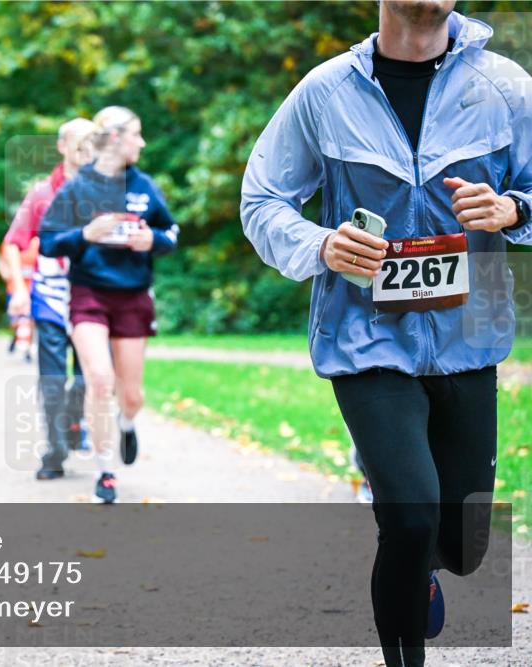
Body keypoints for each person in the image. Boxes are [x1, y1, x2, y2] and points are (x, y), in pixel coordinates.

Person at [241, 3, 530, 665]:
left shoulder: (506, 88)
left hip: (469, 339)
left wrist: (515, 207)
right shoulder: (325, 91)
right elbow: (261, 201)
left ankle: (424, 561)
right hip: (363, 336)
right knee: (409, 518)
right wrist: (321, 245)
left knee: (459, 538)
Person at [40, 106, 179, 503]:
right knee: (99, 379)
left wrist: (153, 240)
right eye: (137, 134)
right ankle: (105, 471)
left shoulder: (144, 186)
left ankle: (127, 422)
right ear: (115, 138)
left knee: (130, 394)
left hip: (133, 295)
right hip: (89, 294)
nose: (142, 142)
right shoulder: (79, 188)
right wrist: (85, 234)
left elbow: (171, 231)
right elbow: (48, 240)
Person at [2, 117, 96, 480]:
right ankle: (54, 452)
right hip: (51, 297)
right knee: (52, 379)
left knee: (90, 377)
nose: (87, 147)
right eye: (79, 140)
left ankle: (74, 420)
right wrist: (20, 289)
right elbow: (14, 243)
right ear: (62, 146)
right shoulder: (42, 193)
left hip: (92, 295)